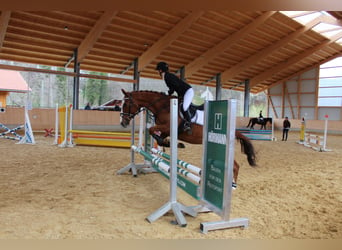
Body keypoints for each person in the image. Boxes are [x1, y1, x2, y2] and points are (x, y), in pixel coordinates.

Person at [156, 62, 194, 132]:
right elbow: (175, 87)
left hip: (188, 91)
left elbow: (175, 86)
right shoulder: (167, 76)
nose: (158, 72)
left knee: (184, 107)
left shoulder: (167, 76)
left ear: (160, 70)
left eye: (158, 70)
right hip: (183, 92)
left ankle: (189, 124)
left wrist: (168, 92)